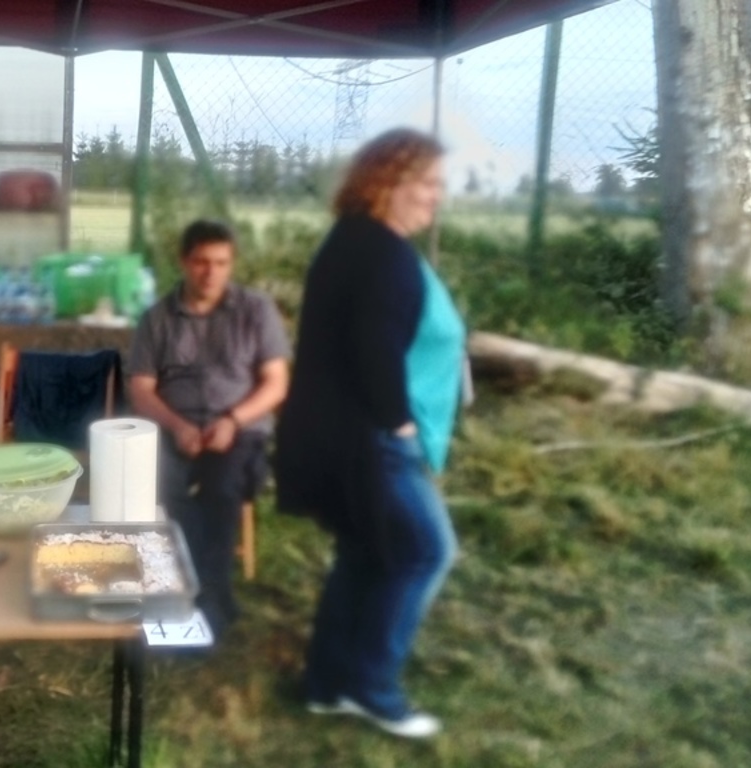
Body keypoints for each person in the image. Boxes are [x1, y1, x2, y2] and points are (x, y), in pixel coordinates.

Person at [275, 128, 465, 738]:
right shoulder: (383, 253)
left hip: (335, 435)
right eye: (427, 183)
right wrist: (400, 423)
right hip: (371, 440)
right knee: (425, 552)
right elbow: (374, 351)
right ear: (388, 182)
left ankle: (327, 684)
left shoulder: (350, 239)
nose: (436, 196)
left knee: (364, 552)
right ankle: (371, 687)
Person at [129, 219, 290, 640]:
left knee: (220, 489)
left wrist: (232, 421)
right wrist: (177, 425)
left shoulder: (256, 310)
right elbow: (141, 389)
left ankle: (210, 605)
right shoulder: (157, 318)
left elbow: (276, 383)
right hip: (172, 425)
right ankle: (171, 596)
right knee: (156, 488)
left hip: (239, 428)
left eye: (221, 263)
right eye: (202, 262)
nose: (211, 273)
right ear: (183, 261)